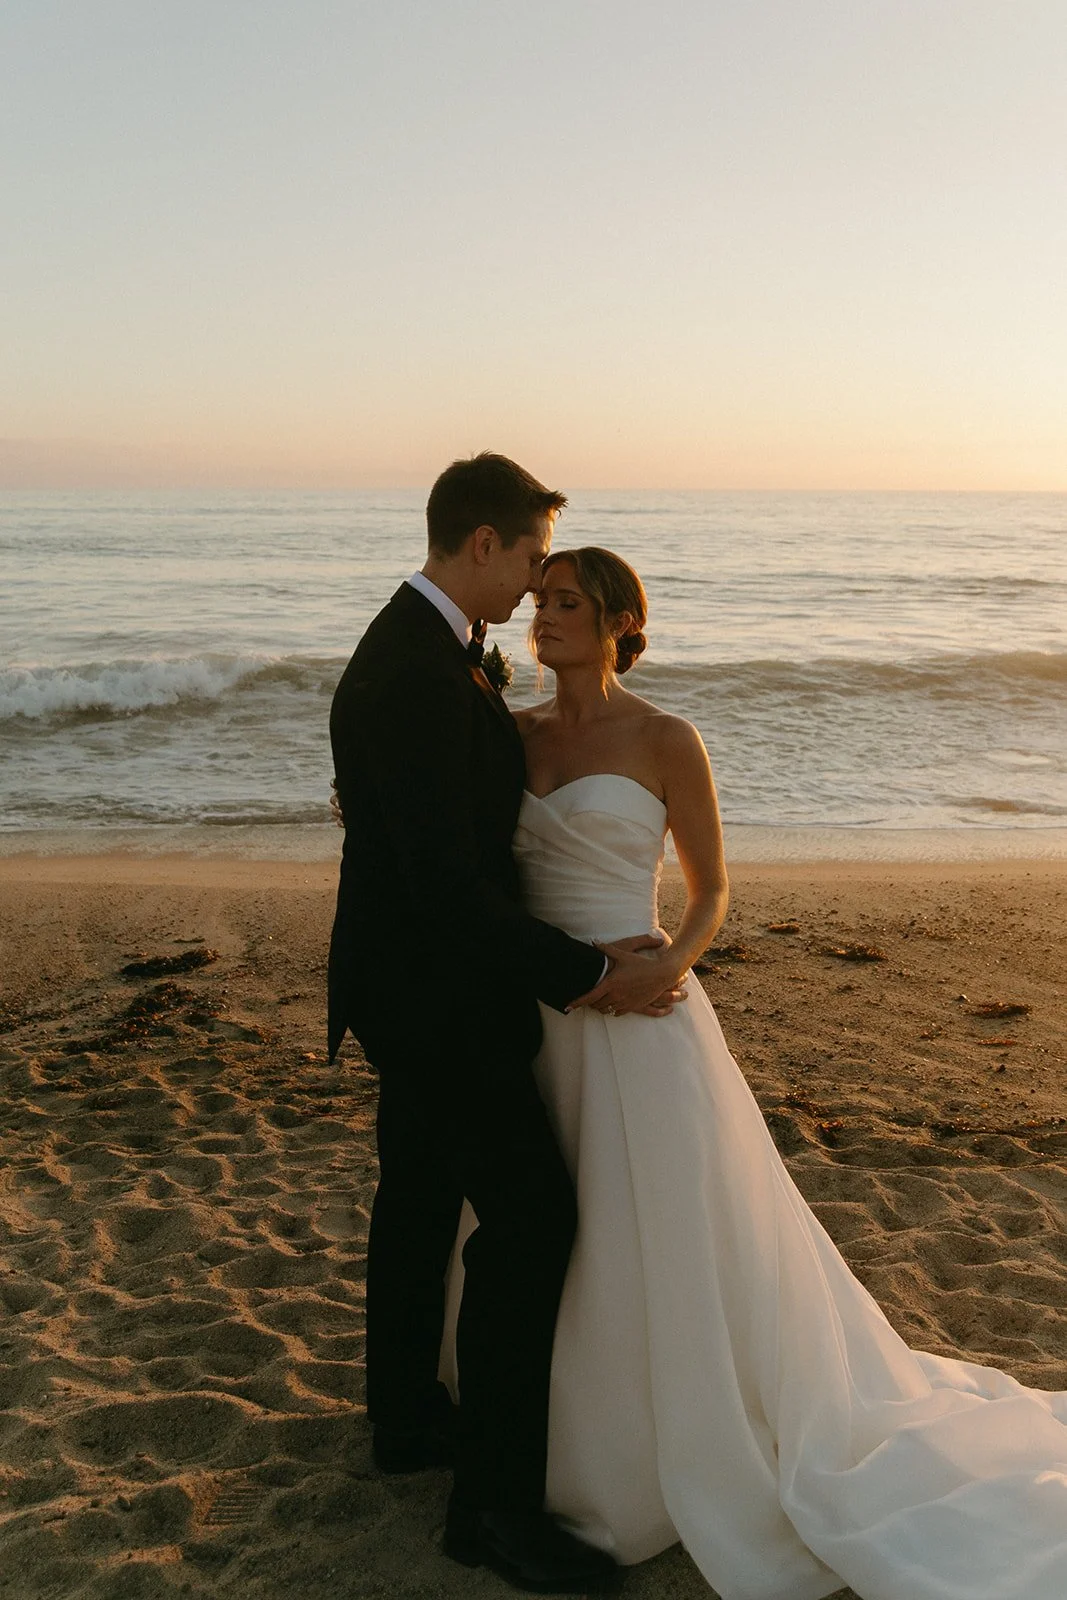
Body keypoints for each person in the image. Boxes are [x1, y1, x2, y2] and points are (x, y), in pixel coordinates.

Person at [441, 546, 1067, 1600]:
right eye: (537, 601)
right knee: (540, 1224)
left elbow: (709, 890)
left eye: (565, 604)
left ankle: (676, 1435)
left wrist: (666, 973)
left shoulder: (665, 739)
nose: (541, 617)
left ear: (615, 623)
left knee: (665, 1231)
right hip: (539, 1016)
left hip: (642, 1017)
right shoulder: (506, 739)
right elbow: (458, 853)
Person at [327, 457, 684, 1594]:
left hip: (410, 983)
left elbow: (436, 830)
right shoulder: (415, 675)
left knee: (422, 1194)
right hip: (439, 998)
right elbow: (448, 888)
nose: (536, 583)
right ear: (480, 544)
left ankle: (403, 1421)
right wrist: (587, 971)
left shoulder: (425, 650)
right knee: (531, 1218)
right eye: (531, 558)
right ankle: (490, 1510)